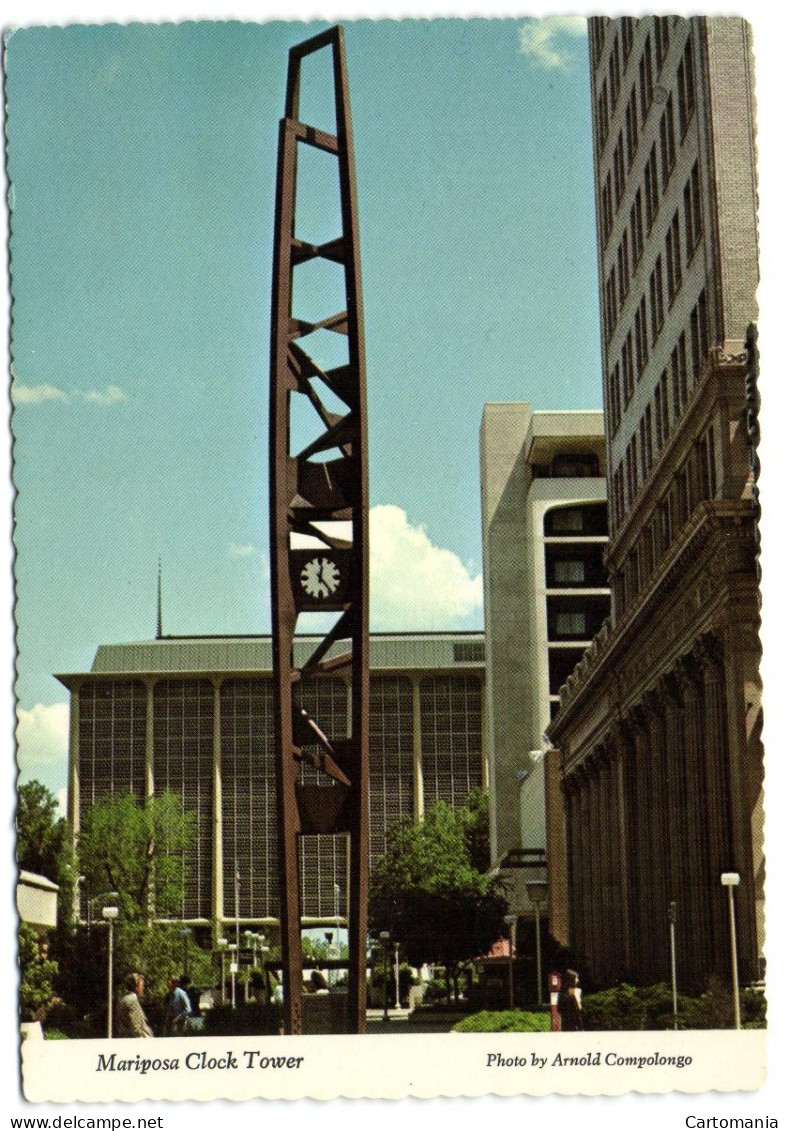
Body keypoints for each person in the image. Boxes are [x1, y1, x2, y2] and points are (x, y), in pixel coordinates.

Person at [116, 972, 154, 1038]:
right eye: (142, 985)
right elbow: (136, 1028)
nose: (143, 988)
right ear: (136, 987)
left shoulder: (125, 998)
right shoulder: (132, 1001)